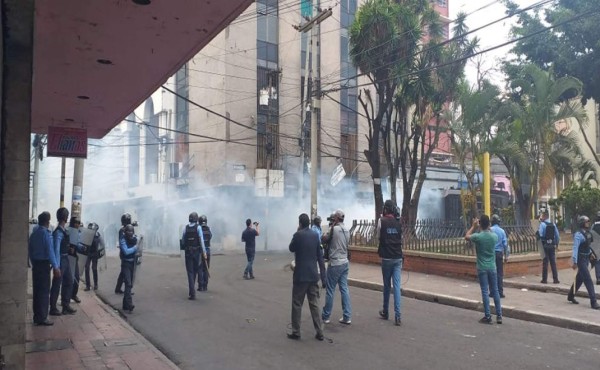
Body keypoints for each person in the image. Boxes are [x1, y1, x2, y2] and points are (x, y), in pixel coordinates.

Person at [288, 213, 327, 341]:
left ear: (300, 223)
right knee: (314, 304)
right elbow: (320, 258)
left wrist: (297, 232)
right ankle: (319, 332)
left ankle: (296, 331)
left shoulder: (298, 235)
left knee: (297, 303)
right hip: (313, 275)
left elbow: (291, 248)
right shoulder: (315, 236)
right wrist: (324, 276)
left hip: (300, 276)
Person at [465, 215, 503, 324]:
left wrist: (473, 226)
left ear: (480, 224)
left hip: (482, 268)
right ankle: (499, 315)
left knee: (485, 292)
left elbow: (467, 236)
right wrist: (487, 226)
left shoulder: (478, 237)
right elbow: (490, 231)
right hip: (492, 267)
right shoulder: (494, 237)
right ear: (489, 224)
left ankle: (488, 316)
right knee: (495, 290)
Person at [321, 209, 352, 325]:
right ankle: (347, 316)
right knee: (344, 289)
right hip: (345, 262)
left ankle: (326, 316)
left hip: (335, 263)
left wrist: (329, 228)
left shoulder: (334, 229)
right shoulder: (347, 230)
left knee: (330, 290)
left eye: (334, 218)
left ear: (337, 219)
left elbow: (324, 239)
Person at [29, 211, 59, 326]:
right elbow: (50, 251)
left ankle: (37, 316)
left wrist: (33, 263)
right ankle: (43, 317)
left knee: (37, 291)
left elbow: (30, 251)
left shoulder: (34, 234)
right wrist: (56, 267)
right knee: (44, 291)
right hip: (44, 265)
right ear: (47, 221)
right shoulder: (45, 234)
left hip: (36, 265)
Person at [377, 200, 403, 326]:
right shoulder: (399, 222)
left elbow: (378, 236)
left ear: (385, 209)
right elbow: (400, 237)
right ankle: (398, 316)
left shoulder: (381, 221)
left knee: (387, 286)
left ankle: (386, 311)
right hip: (398, 257)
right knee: (397, 286)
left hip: (386, 257)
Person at [567, 216, 600, 309]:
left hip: (586, 259)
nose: (588, 223)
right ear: (582, 223)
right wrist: (574, 261)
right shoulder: (578, 234)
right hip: (580, 259)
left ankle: (570, 296)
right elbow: (575, 248)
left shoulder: (588, 233)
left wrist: (590, 253)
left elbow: (587, 246)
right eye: (586, 222)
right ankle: (593, 302)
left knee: (579, 279)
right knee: (588, 280)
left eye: (589, 221)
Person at [51, 207, 77, 316]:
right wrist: (56, 266)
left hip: (65, 258)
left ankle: (65, 306)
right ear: (65, 217)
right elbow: (56, 249)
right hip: (61, 260)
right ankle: (53, 308)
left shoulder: (63, 231)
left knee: (69, 281)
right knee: (57, 284)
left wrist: (68, 249)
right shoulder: (58, 232)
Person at [181, 212, 207, 300]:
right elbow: (201, 241)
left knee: (190, 273)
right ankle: (198, 286)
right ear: (196, 219)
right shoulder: (198, 227)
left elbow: (183, 241)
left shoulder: (185, 228)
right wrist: (204, 252)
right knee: (197, 270)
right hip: (197, 253)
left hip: (188, 253)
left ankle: (192, 293)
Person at [120, 224, 139, 313]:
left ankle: (125, 305)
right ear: (125, 232)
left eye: (131, 231)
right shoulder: (123, 240)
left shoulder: (135, 239)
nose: (130, 233)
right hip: (126, 263)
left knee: (130, 284)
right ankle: (129, 304)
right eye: (128, 231)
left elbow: (140, 249)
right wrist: (135, 248)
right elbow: (126, 252)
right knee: (128, 283)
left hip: (133, 263)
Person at [490, 214, 509, 298]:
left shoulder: (489, 230)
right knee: (499, 273)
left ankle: (492, 292)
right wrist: (506, 256)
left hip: (491, 254)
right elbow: (505, 244)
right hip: (499, 254)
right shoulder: (502, 231)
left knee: (491, 272)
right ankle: (500, 292)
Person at [539, 210, 560, 284]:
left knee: (545, 262)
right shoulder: (553, 224)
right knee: (553, 262)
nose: (541, 217)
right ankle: (555, 279)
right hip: (552, 245)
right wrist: (557, 244)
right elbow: (557, 235)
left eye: (542, 216)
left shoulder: (542, 224)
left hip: (545, 245)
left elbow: (540, 235)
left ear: (544, 216)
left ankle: (544, 279)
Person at [115, 213, 131, 294]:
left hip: (128, 251)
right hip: (125, 252)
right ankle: (127, 289)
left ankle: (118, 288)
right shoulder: (122, 230)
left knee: (123, 272)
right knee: (126, 272)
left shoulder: (128, 228)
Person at [84, 222, 103, 291]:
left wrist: (101, 252)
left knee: (94, 268)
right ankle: (87, 286)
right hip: (88, 253)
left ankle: (95, 284)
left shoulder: (98, 235)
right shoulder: (86, 235)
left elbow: (102, 244)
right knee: (86, 268)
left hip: (95, 254)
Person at [69, 217, 83, 304]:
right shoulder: (68, 232)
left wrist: (82, 247)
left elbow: (78, 243)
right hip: (67, 257)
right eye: (76, 222)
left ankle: (73, 295)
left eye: (79, 223)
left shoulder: (78, 233)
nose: (77, 224)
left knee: (76, 277)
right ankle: (66, 297)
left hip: (74, 257)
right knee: (68, 279)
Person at [198, 214, 212, 292]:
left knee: (200, 268)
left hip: (200, 251)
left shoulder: (198, 229)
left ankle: (201, 285)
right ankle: (205, 286)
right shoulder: (209, 228)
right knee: (206, 269)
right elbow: (210, 236)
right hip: (208, 251)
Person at [590, 212, 600, 285]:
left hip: (596, 246)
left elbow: (591, 235)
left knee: (597, 262)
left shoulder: (594, 225)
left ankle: (598, 278)